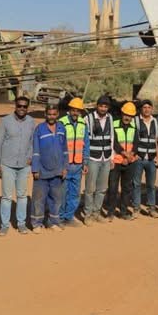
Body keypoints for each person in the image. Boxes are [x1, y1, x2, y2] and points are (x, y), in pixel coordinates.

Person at [0, 96, 37, 235]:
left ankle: (21, 223)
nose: (22, 109)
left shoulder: (31, 122)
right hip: (7, 164)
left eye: (25, 106)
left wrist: (30, 157)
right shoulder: (5, 121)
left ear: (28, 107)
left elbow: (32, 142)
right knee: (6, 196)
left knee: (22, 195)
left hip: (24, 165)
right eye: (19, 106)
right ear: (15, 106)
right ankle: (4, 225)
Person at [31, 105, 68, 232]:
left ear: (57, 115)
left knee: (56, 198)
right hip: (42, 170)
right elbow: (35, 150)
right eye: (49, 114)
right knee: (38, 198)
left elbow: (65, 150)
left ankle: (53, 222)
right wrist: (35, 169)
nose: (51, 116)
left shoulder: (62, 128)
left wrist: (65, 168)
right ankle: (37, 223)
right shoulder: (39, 129)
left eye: (54, 114)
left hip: (58, 170)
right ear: (45, 115)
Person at [83, 96, 115, 224]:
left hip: (106, 157)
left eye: (106, 106)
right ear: (97, 106)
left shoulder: (110, 118)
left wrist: (112, 157)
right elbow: (86, 140)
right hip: (93, 158)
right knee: (90, 188)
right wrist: (85, 160)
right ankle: (87, 214)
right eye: (101, 106)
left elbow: (111, 137)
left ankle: (96, 213)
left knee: (102, 188)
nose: (103, 108)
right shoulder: (88, 119)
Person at [59, 97, 88, 226]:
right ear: (69, 110)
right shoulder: (61, 123)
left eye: (78, 110)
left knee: (74, 193)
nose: (75, 113)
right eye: (73, 110)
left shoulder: (83, 124)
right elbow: (58, 144)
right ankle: (59, 217)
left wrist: (85, 162)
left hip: (77, 164)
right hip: (65, 164)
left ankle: (69, 217)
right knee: (62, 192)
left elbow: (85, 144)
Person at [109, 101, 138, 219]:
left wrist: (131, 155)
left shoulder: (134, 126)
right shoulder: (114, 124)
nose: (127, 117)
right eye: (126, 114)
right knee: (113, 188)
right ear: (122, 113)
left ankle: (123, 212)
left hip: (130, 162)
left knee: (127, 188)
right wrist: (124, 154)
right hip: (116, 161)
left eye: (130, 115)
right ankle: (110, 212)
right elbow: (113, 142)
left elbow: (136, 143)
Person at [132, 100, 158, 218]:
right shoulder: (136, 121)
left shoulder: (156, 121)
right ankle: (136, 209)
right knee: (136, 184)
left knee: (151, 185)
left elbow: (157, 141)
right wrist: (134, 154)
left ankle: (151, 208)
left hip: (151, 158)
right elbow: (133, 139)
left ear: (152, 109)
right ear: (141, 109)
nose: (147, 109)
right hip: (139, 157)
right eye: (144, 107)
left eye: (149, 107)